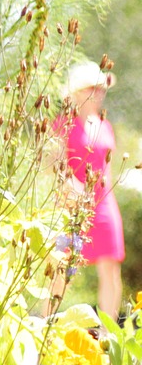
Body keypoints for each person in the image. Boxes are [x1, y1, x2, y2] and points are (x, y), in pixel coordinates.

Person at [50, 61, 125, 319]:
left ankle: (108, 335)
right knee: (61, 267)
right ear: (77, 92)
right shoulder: (64, 124)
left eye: (102, 88)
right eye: (93, 88)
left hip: (104, 205)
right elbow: (54, 167)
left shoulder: (104, 125)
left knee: (111, 271)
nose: (99, 93)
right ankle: (47, 329)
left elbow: (108, 168)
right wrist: (74, 190)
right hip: (71, 207)